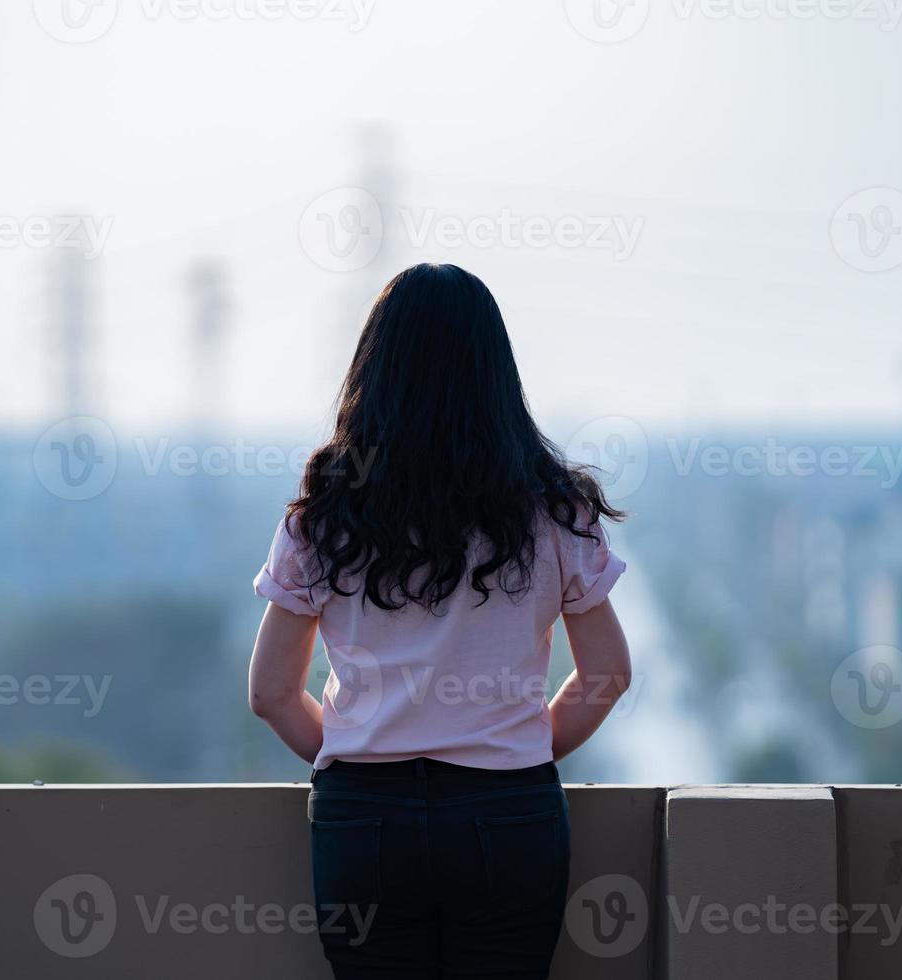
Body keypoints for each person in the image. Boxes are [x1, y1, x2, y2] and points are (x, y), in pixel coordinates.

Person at [248, 263, 632, 979]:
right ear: (495, 373)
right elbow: (608, 673)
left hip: (364, 821)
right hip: (506, 814)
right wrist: (519, 746)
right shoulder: (554, 507)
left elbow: (270, 692)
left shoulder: (326, 509)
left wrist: (356, 751)